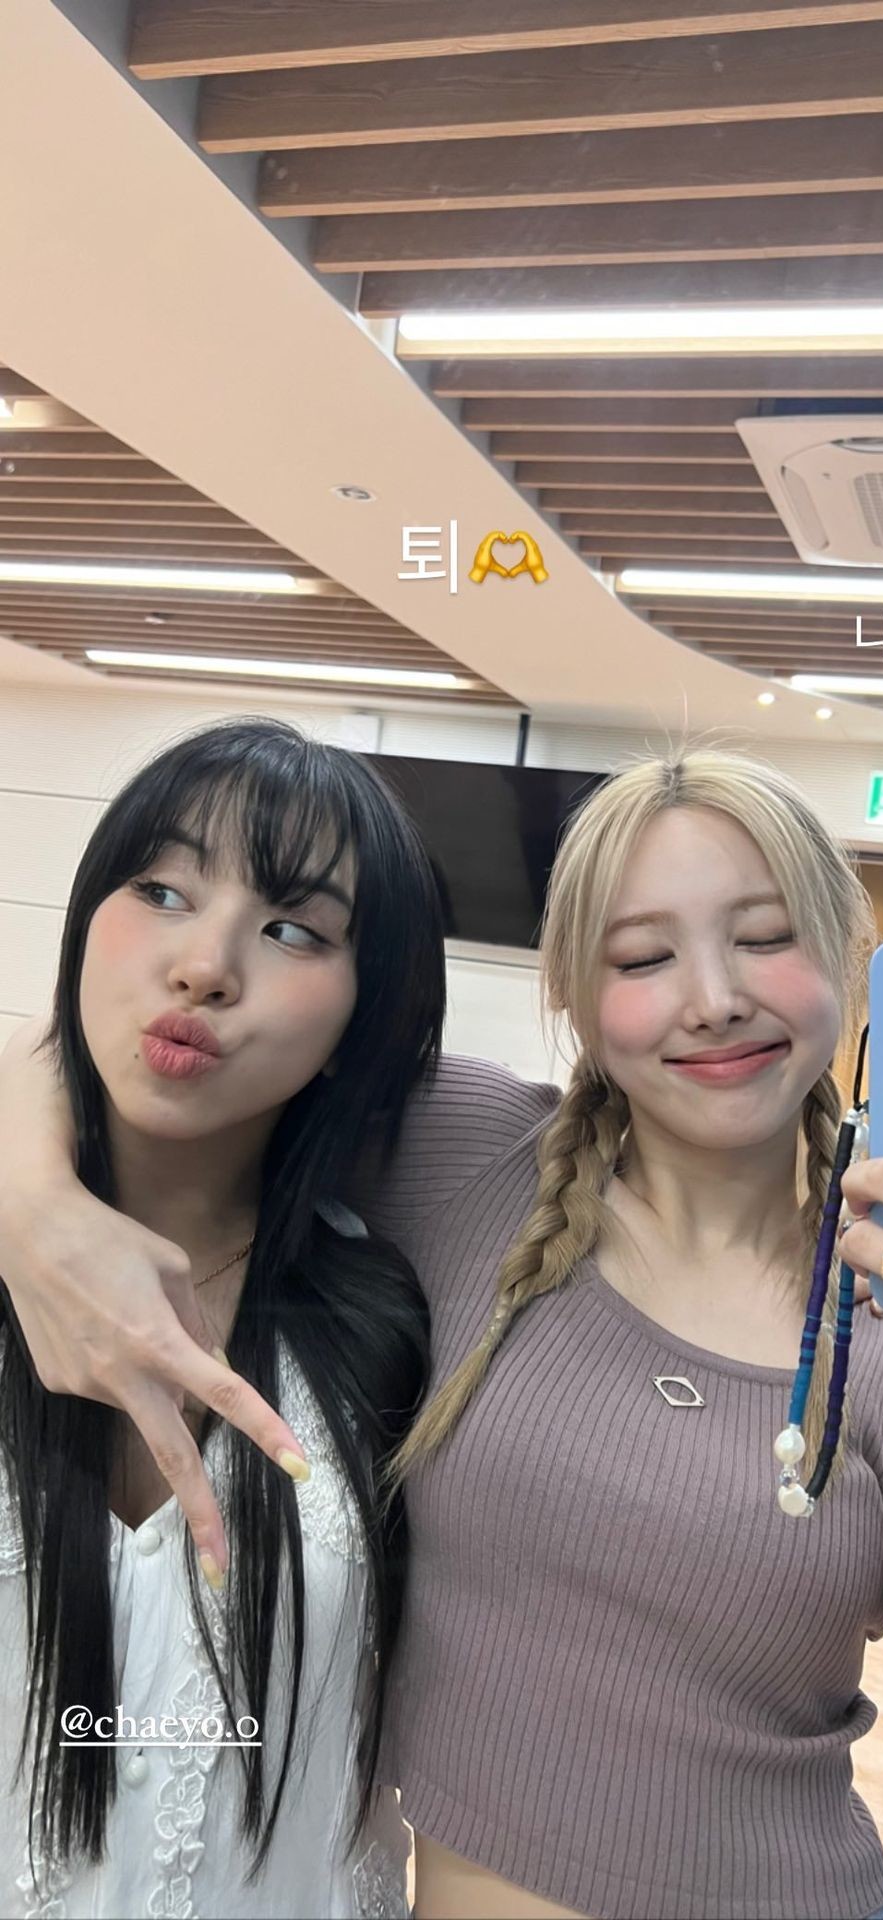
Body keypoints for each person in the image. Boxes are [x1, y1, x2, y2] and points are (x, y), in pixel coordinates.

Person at [2, 746, 883, 1920]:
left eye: (766, 938)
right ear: (571, 993)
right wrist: (34, 1204)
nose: (714, 997)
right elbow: (141, 1039)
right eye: (644, 956)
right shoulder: (467, 1156)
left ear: (845, 959)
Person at [0, 717, 446, 1917]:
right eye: (160, 889)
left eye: (295, 929)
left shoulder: (390, 1325)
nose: (205, 965)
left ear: (367, 1009)